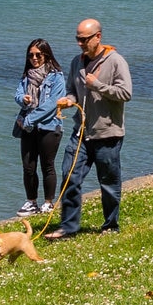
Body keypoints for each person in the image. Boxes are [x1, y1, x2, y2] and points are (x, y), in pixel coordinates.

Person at [54, 18, 133, 237]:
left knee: (108, 183)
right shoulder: (75, 63)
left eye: (84, 39)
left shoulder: (116, 61)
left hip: (108, 134)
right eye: (77, 39)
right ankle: (69, 227)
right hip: (80, 133)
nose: (80, 43)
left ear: (98, 37)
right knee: (69, 176)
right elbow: (71, 90)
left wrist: (97, 86)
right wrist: (68, 100)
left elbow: (126, 94)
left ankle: (110, 226)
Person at [13, 38, 65, 215]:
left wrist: (29, 120)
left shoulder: (57, 76)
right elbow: (18, 94)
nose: (34, 58)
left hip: (49, 126)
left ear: (46, 55)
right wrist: (23, 99)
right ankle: (31, 202)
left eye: (38, 55)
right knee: (28, 166)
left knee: (47, 165)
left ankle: (48, 202)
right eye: (30, 55)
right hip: (28, 126)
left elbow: (51, 104)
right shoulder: (27, 76)